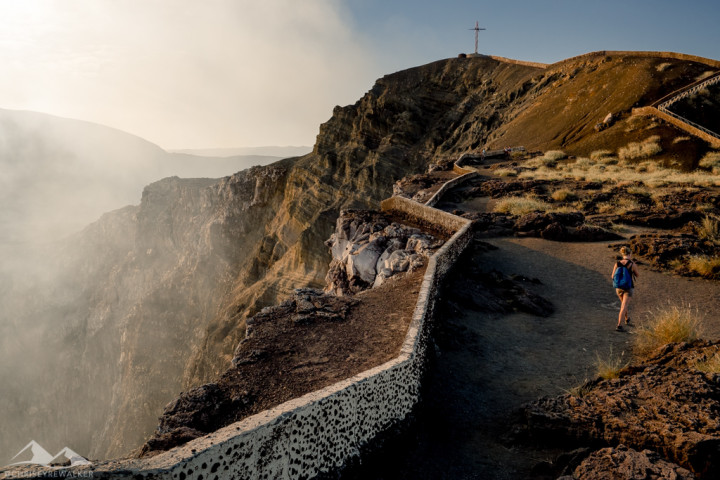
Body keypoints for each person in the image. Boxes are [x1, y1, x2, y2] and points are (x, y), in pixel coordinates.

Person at [611, 246, 639, 332]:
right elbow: (637, 275)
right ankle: (619, 325)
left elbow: (612, 276)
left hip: (619, 287)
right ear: (630, 254)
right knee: (624, 305)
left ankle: (627, 319)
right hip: (628, 287)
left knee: (623, 304)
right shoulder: (632, 264)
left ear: (623, 254)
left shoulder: (617, 263)